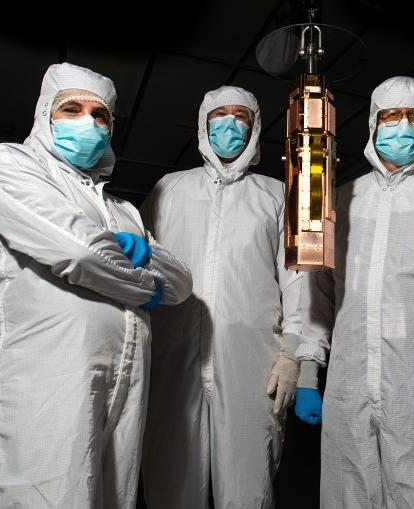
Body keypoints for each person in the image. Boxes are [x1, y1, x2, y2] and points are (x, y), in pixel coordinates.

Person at [0, 62, 193, 508]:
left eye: (100, 114)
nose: (89, 122)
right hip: (45, 379)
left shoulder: (121, 208)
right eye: (72, 109)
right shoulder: (11, 165)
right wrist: (147, 290)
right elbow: (79, 252)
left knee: (107, 496)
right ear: (46, 114)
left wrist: (136, 248)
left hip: (123, 381)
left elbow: (181, 282)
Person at [295, 76, 414, 508]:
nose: (402, 126)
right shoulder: (339, 200)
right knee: (348, 493)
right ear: (373, 123)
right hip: (348, 385)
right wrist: (308, 371)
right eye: (391, 115)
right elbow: (318, 295)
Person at [139, 85, 302, 508]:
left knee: (248, 491)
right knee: (170, 489)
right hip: (172, 367)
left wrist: (294, 355)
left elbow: (298, 279)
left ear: (255, 128)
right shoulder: (168, 190)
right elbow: (138, 277)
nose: (229, 124)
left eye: (241, 116)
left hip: (253, 367)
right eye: (219, 115)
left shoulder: (276, 195)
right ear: (203, 123)